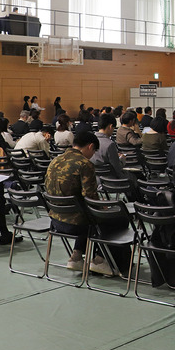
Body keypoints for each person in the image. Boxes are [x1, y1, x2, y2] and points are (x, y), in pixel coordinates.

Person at [43, 131, 117, 276]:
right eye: (94, 151)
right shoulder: (84, 164)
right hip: (76, 224)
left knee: (85, 214)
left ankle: (76, 256)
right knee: (114, 219)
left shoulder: (55, 160)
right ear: (90, 146)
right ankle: (99, 260)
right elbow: (91, 197)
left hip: (55, 220)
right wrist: (104, 208)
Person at [91, 113, 125, 179]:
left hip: (94, 178)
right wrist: (122, 159)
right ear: (110, 126)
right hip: (109, 180)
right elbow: (117, 168)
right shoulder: (109, 144)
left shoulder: (89, 140)